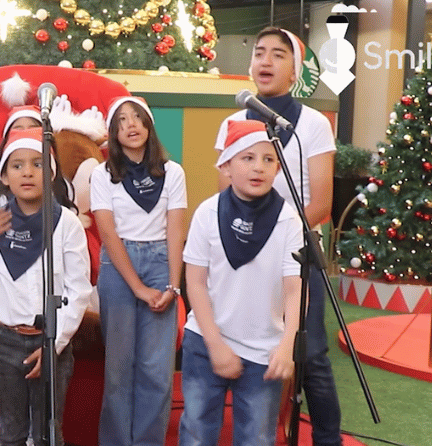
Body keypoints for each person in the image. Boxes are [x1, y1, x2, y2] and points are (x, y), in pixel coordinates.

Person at [213, 27, 341, 446]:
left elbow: (321, 203)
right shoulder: (232, 122)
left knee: (312, 354)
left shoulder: (315, 124)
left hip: (298, 253)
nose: (265, 61)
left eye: (277, 55)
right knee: (250, 345)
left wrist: (278, 239)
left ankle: (327, 439)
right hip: (243, 252)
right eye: (259, 53)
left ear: (294, 71)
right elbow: (224, 196)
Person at [0, 128, 91, 446]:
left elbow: (78, 291)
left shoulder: (67, 224)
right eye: (17, 165)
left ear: (50, 173)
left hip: (51, 342)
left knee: (48, 432)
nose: (27, 172)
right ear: (4, 176)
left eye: (37, 164)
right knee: (11, 431)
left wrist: (56, 343)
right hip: (5, 340)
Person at [180, 119, 301, 446]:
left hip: (264, 352)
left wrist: (287, 345)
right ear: (227, 166)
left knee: (257, 439)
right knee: (196, 434)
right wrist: (216, 345)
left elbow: (294, 288)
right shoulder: (207, 213)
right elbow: (195, 283)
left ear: (278, 168)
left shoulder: (289, 220)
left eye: (268, 159)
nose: (258, 167)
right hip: (206, 343)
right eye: (247, 158)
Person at [91, 96, 186, 446]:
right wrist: (138, 288)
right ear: (114, 132)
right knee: (119, 370)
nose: (131, 125)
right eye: (122, 121)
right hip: (119, 268)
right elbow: (108, 234)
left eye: (138, 119)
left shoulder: (173, 172)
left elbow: (176, 230)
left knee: (157, 372)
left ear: (148, 126)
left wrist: (173, 287)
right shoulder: (102, 175)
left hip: (161, 262)